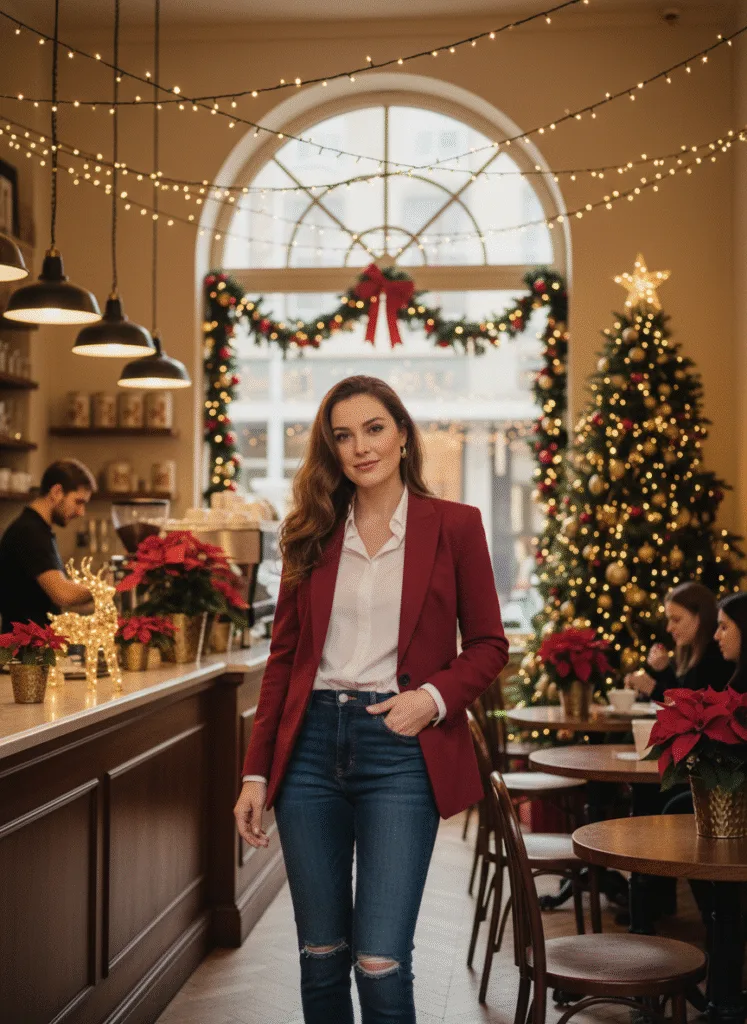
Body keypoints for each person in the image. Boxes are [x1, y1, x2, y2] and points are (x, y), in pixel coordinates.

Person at [233, 375, 507, 1024]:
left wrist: (433, 698)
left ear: (403, 434)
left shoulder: (456, 527)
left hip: (400, 749)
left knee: (379, 961)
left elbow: (490, 645)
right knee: (321, 953)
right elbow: (283, 663)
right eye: (343, 435)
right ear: (331, 450)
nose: (360, 447)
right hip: (307, 755)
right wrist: (255, 771)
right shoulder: (310, 530)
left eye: (374, 428)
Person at [0, 459, 95, 630]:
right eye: (78, 502)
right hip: (24, 651)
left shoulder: (38, 530)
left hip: (33, 647)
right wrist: (108, 587)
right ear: (57, 492)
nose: (81, 512)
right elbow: (62, 594)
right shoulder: (30, 531)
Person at [624, 581, 732, 701]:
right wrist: (663, 669)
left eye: (676, 620)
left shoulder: (717, 654)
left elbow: (691, 708)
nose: (669, 628)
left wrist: (651, 688)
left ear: (700, 617)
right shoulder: (691, 650)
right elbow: (680, 691)